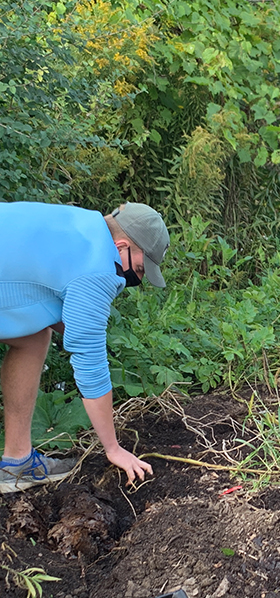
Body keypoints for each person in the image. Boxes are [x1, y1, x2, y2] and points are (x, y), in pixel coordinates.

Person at [0, 201, 169, 491]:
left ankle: (17, 462)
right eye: (140, 268)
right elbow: (89, 363)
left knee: (33, 337)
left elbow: (38, 290)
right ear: (121, 246)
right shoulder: (98, 267)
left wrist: (82, 332)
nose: (137, 279)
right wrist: (113, 448)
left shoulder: (82, 225)